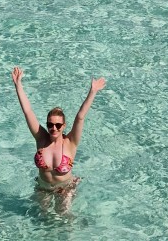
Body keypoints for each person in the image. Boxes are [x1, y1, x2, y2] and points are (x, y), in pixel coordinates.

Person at [11, 67, 106, 212]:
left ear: (63, 126)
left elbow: (80, 117)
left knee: (63, 218)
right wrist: (18, 85)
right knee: (41, 217)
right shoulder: (41, 138)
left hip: (65, 188)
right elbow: (28, 111)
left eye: (58, 125)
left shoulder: (70, 142)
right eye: (50, 124)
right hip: (43, 188)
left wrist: (92, 92)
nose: (53, 128)